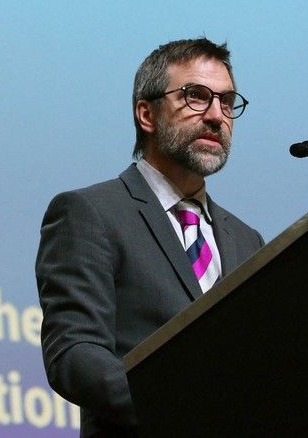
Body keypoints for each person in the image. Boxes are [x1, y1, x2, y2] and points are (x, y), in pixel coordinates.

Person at [35, 38, 264, 437]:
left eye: (227, 102)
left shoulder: (248, 242)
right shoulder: (90, 213)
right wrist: (187, 411)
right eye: (196, 96)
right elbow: (75, 355)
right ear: (146, 114)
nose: (216, 116)